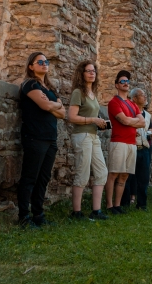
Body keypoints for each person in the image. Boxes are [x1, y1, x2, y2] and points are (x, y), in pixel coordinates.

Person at [17, 51, 65, 227]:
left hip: (50, 138)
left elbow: (62, 113)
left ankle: (38, 214)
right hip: (35, 136)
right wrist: (53, 105)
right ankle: (24, 216)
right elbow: (44, 105)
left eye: (46, 61)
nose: (44, 64)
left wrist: (54, 105)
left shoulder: (49, 88)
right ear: (31, 66)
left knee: (43, 178)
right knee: (30, 178)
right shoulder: (30, 84)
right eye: (40, 62)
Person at [67, 60, 110, 221]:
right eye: (88, 71)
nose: (92, 73)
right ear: (82, 73)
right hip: (82, 135)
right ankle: (76, 212)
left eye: (94, 71)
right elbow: (71, 117)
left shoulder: (93, 93)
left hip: (93, 136)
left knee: (101, 172)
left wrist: (100, 123)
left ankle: (96, 211)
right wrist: (92, 119)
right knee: (83, 174)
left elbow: (91, 116)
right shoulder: (78, 92)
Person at [105, 70, 145, 214]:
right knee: (114, 173)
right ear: (117, 85)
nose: (126, 83)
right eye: (122, 81)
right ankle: (109, 205)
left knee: (124, 175)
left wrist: (130, 122)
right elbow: (124, 120)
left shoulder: (132, 104)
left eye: (127, 81)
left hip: (131, 143)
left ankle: (117, 205)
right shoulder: (114, 102)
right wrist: (132, 121)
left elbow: (143, 123)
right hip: (119, 141)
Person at [124, 87, 152, 211]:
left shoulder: (147, 115)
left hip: (145, 148)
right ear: (135, 98)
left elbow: (150, 129)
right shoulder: (128, 112)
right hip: (133, 147)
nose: (145, 97)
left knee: (143, 178)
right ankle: (124, 204)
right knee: (127, 177)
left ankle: (142, 204)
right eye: (142, 95)